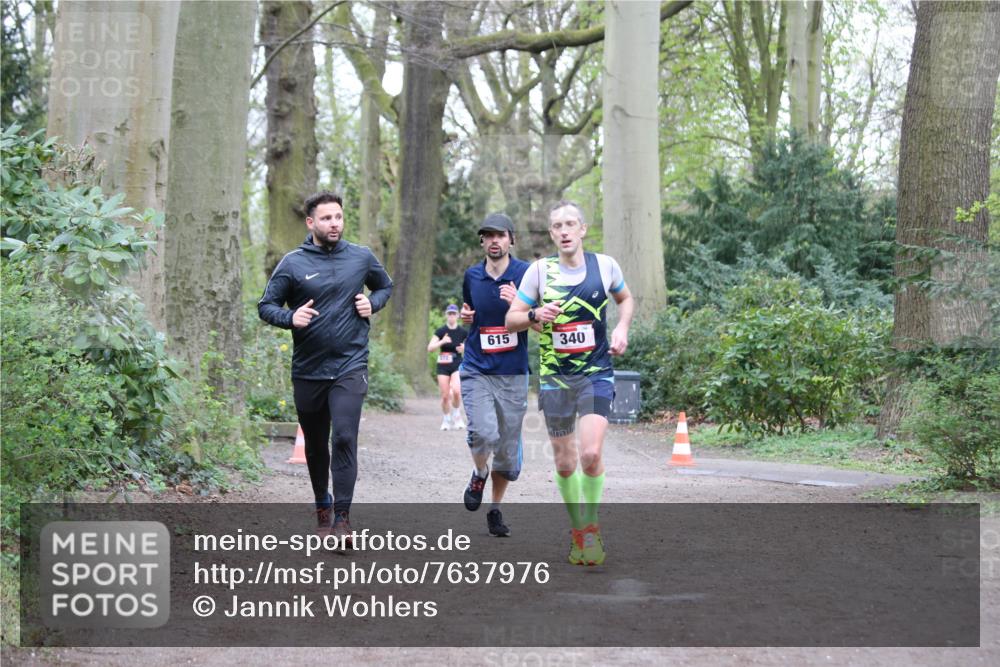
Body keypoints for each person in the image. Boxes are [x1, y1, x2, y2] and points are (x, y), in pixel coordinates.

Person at [258, 191, 393, 544]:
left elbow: (385, 286)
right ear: (311, 222)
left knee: (345, 436)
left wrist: (372, 303)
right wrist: (290, 317)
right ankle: (323, 505)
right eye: (327, 218)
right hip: (308, 369)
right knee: (317, 445)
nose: (334, 223)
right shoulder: (293, 263)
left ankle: (343, 519)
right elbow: (266, 305)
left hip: (350, 364)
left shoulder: (361, 258)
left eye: (338, 217)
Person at [506, 200, 634, 565]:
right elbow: (511, 318)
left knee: (591, 454)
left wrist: (622, 328)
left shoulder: (605, 266)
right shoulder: (539, 272)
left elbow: (625, 300)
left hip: (596, 373)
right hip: (555, 379)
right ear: (551, 234)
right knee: (565, 463)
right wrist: (534, 313)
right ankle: (579, 531)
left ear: (582, 230)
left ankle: (590, 529)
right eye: (557, 226)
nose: (564, 231)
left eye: (570, 224)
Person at [458, 212, 535, 537]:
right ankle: (479, 472)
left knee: (505, 451)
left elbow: (544, 322)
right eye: (488, 235)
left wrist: (520, 307)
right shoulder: (472, 276)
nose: (494, 241)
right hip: (476, 367)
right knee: (483, 433)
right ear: (482, 241)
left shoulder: (527, 275)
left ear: (510, 239)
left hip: (513, 373)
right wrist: (466, 318)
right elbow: (470, 315)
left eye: (500, 235)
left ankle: (495, 509)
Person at [427, 305, 468, 431]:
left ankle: (456, 415)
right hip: (443, 364)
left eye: (453, 314)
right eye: (449, 313)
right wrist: (442, 342)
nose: (451, 316)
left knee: (456, 391)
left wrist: (464, 348)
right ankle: (446, 419)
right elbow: (430, 348)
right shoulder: (441, 331)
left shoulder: (463, 332)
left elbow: (473, 348)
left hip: (457, 362)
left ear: (457, 316)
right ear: (446, 315)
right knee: (445, 395)